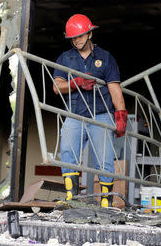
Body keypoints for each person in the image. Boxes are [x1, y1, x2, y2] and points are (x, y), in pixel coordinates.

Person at [53, 14, 127, 207]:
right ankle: (71, 200)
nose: (77, 40)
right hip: (75, 114)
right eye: (73, 37)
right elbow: (56, 86)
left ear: (90, 33)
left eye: (81, 35)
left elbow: (114, 88)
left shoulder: (105, 57)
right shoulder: (65, 58)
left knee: (105, 160)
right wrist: (75, 83)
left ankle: (105, 203)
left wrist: (121, 115)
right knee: (68, 155)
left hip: (101, 114)